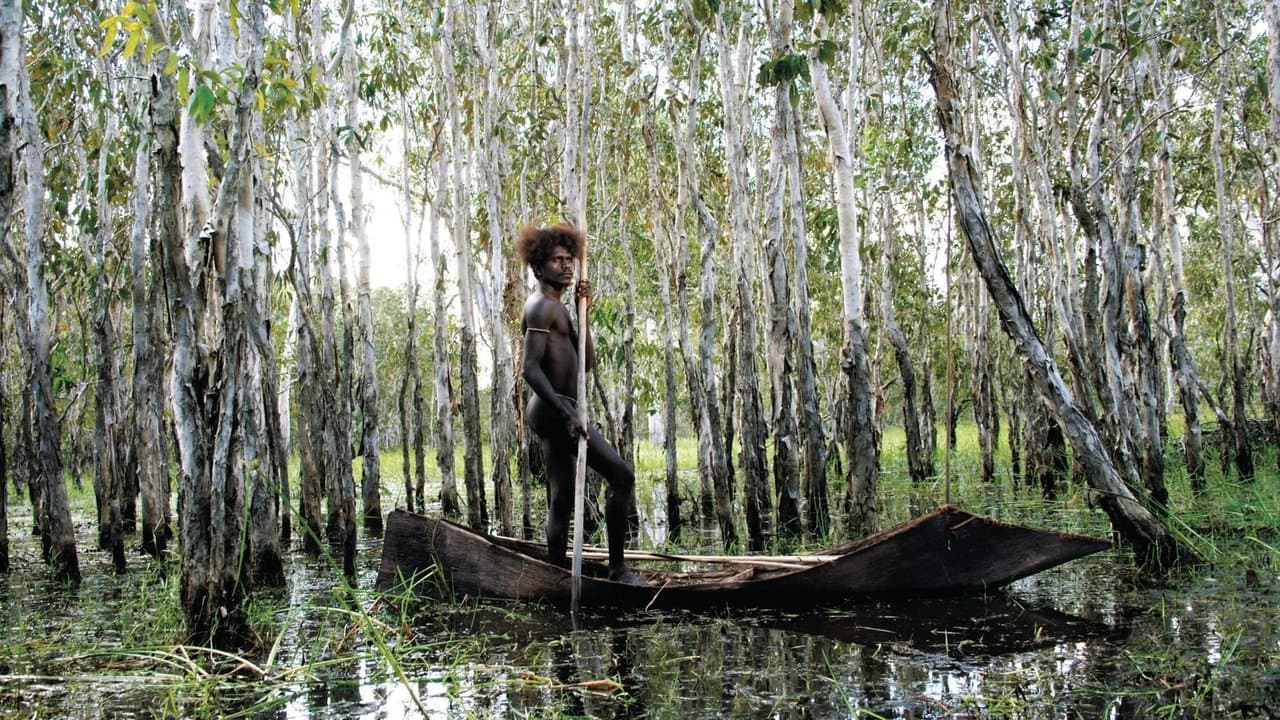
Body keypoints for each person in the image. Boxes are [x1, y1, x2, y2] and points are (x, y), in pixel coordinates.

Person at [516, 222, 642, 585]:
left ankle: (555, 574)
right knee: (622, 476)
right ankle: (617, 570)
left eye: (569, 259)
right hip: (553, 410)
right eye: (558, 260)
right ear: (539, 267)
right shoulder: (541, 306)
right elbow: (529, 369)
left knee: (561, 498)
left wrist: (582, 310)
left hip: (559, 409)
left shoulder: (559, 307)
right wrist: (567, 413)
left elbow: (587, 362)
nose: (567, 265)